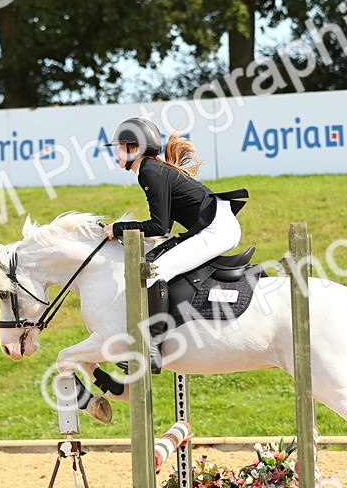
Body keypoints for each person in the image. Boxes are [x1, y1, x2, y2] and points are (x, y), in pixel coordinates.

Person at [100, 118, 247, 372]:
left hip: (217, 230)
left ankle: (152, 349)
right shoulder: (151, 170)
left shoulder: (150, 172)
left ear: (135, 149)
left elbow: (159, 227)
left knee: (156, 271)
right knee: (156, 261)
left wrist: (118, 228)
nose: (116, 152)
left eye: (120, 147)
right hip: (215, 225)